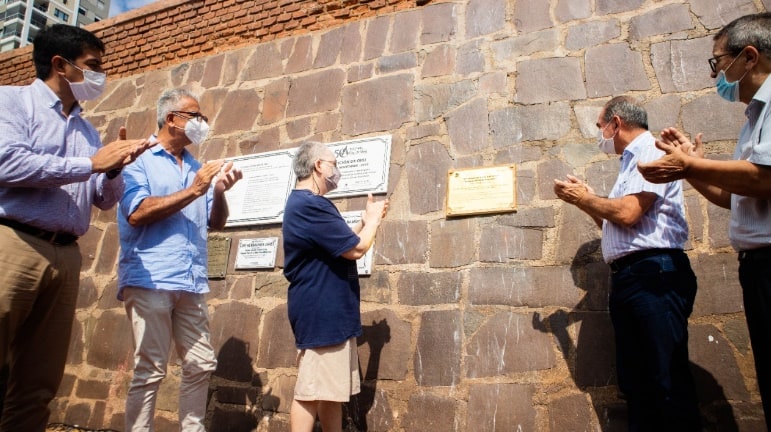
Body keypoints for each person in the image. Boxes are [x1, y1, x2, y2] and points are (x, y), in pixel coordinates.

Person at [0, 24, 153, 431]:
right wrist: (91, 164)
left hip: (66, 255)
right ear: (60, 65)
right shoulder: (12, 102)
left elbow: (103, 198)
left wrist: (115, 168)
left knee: (39, 379)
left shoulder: (87, 130)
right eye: (92, 66)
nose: (100, 75)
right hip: (13, 243)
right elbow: (8, 164)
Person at [638, 12, 771, 428]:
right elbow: (735, 196)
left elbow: (765, 179)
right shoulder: (754, 117)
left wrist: (690, 165)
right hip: (759, 269)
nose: (716, 74)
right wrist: (693, 167)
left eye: (718, 62)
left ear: (748, 57)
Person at [554, 96, 701, 431]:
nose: (599, 135)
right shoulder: (629, 163)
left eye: (599, 126)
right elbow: (615, 224)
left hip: (653, 274)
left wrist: (586, 199)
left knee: (665, 381)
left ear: (615, 123)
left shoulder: (649, 151)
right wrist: (588, 201)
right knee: (638, 383)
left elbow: (629, 214)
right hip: (634, 278)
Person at [117, 88, 242, 431]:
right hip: (150, 278)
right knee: (151, 368)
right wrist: (195, 189)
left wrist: (216, 192)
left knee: (201, 363)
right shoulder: (138, 159)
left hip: (191, 280)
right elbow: (137, 213)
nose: (202, 123)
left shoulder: (195, 167)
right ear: (172, 119)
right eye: (195, 116)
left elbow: (215, 223)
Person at [282, 141, 388, 432]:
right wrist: (375, 222)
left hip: (328, 310)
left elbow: (339, 242)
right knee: (310, 392)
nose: (336, 170)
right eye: (333, 163)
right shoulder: (310, 205)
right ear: (318, 165)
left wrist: (365, 221)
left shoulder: (308, 205)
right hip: (321, 310)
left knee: (331, 394)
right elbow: (355, 250)